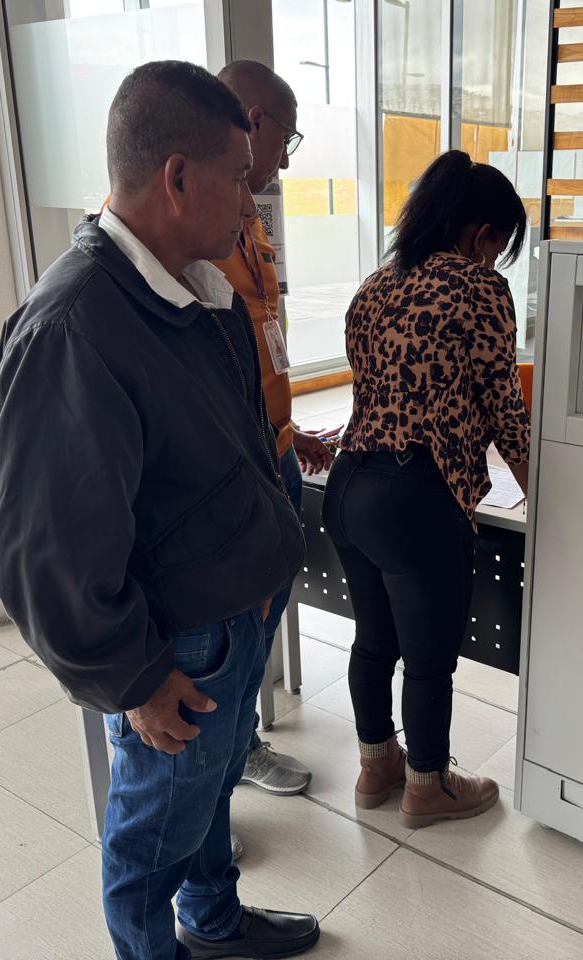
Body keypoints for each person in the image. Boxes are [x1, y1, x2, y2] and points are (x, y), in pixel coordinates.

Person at [0, 61, 319, 960]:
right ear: (176, 177)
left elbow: (232, 447)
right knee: (150, 838)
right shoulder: (75, 326)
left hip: (232, 615)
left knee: (207, 800)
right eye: (239, 177)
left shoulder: (196, 292)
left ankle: (212, 920)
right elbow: (31, 553)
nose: (252, 200)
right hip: (176, 649)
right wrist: (131, 678)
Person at [324, 150, 530, 829]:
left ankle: (376, 765)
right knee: (429, 662)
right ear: (481, 234)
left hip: (350, 482)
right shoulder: (478, 288)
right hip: (416, 495)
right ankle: (428, 785)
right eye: (499, 245)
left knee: (373, 642)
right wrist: (541, 492)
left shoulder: (377, 283)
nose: (496, 259)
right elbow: (505, 408)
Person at [212, 59, 331, 799]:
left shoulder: (248, 210)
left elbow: (260, 337)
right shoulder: (196, 224)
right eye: (286, 138)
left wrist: (289, 428)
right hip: (239, 466)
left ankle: (237, 745)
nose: (285, 159)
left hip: (273, 445)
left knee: (261, 617)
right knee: (235, 627)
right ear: (254, 121)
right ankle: (226, 760)